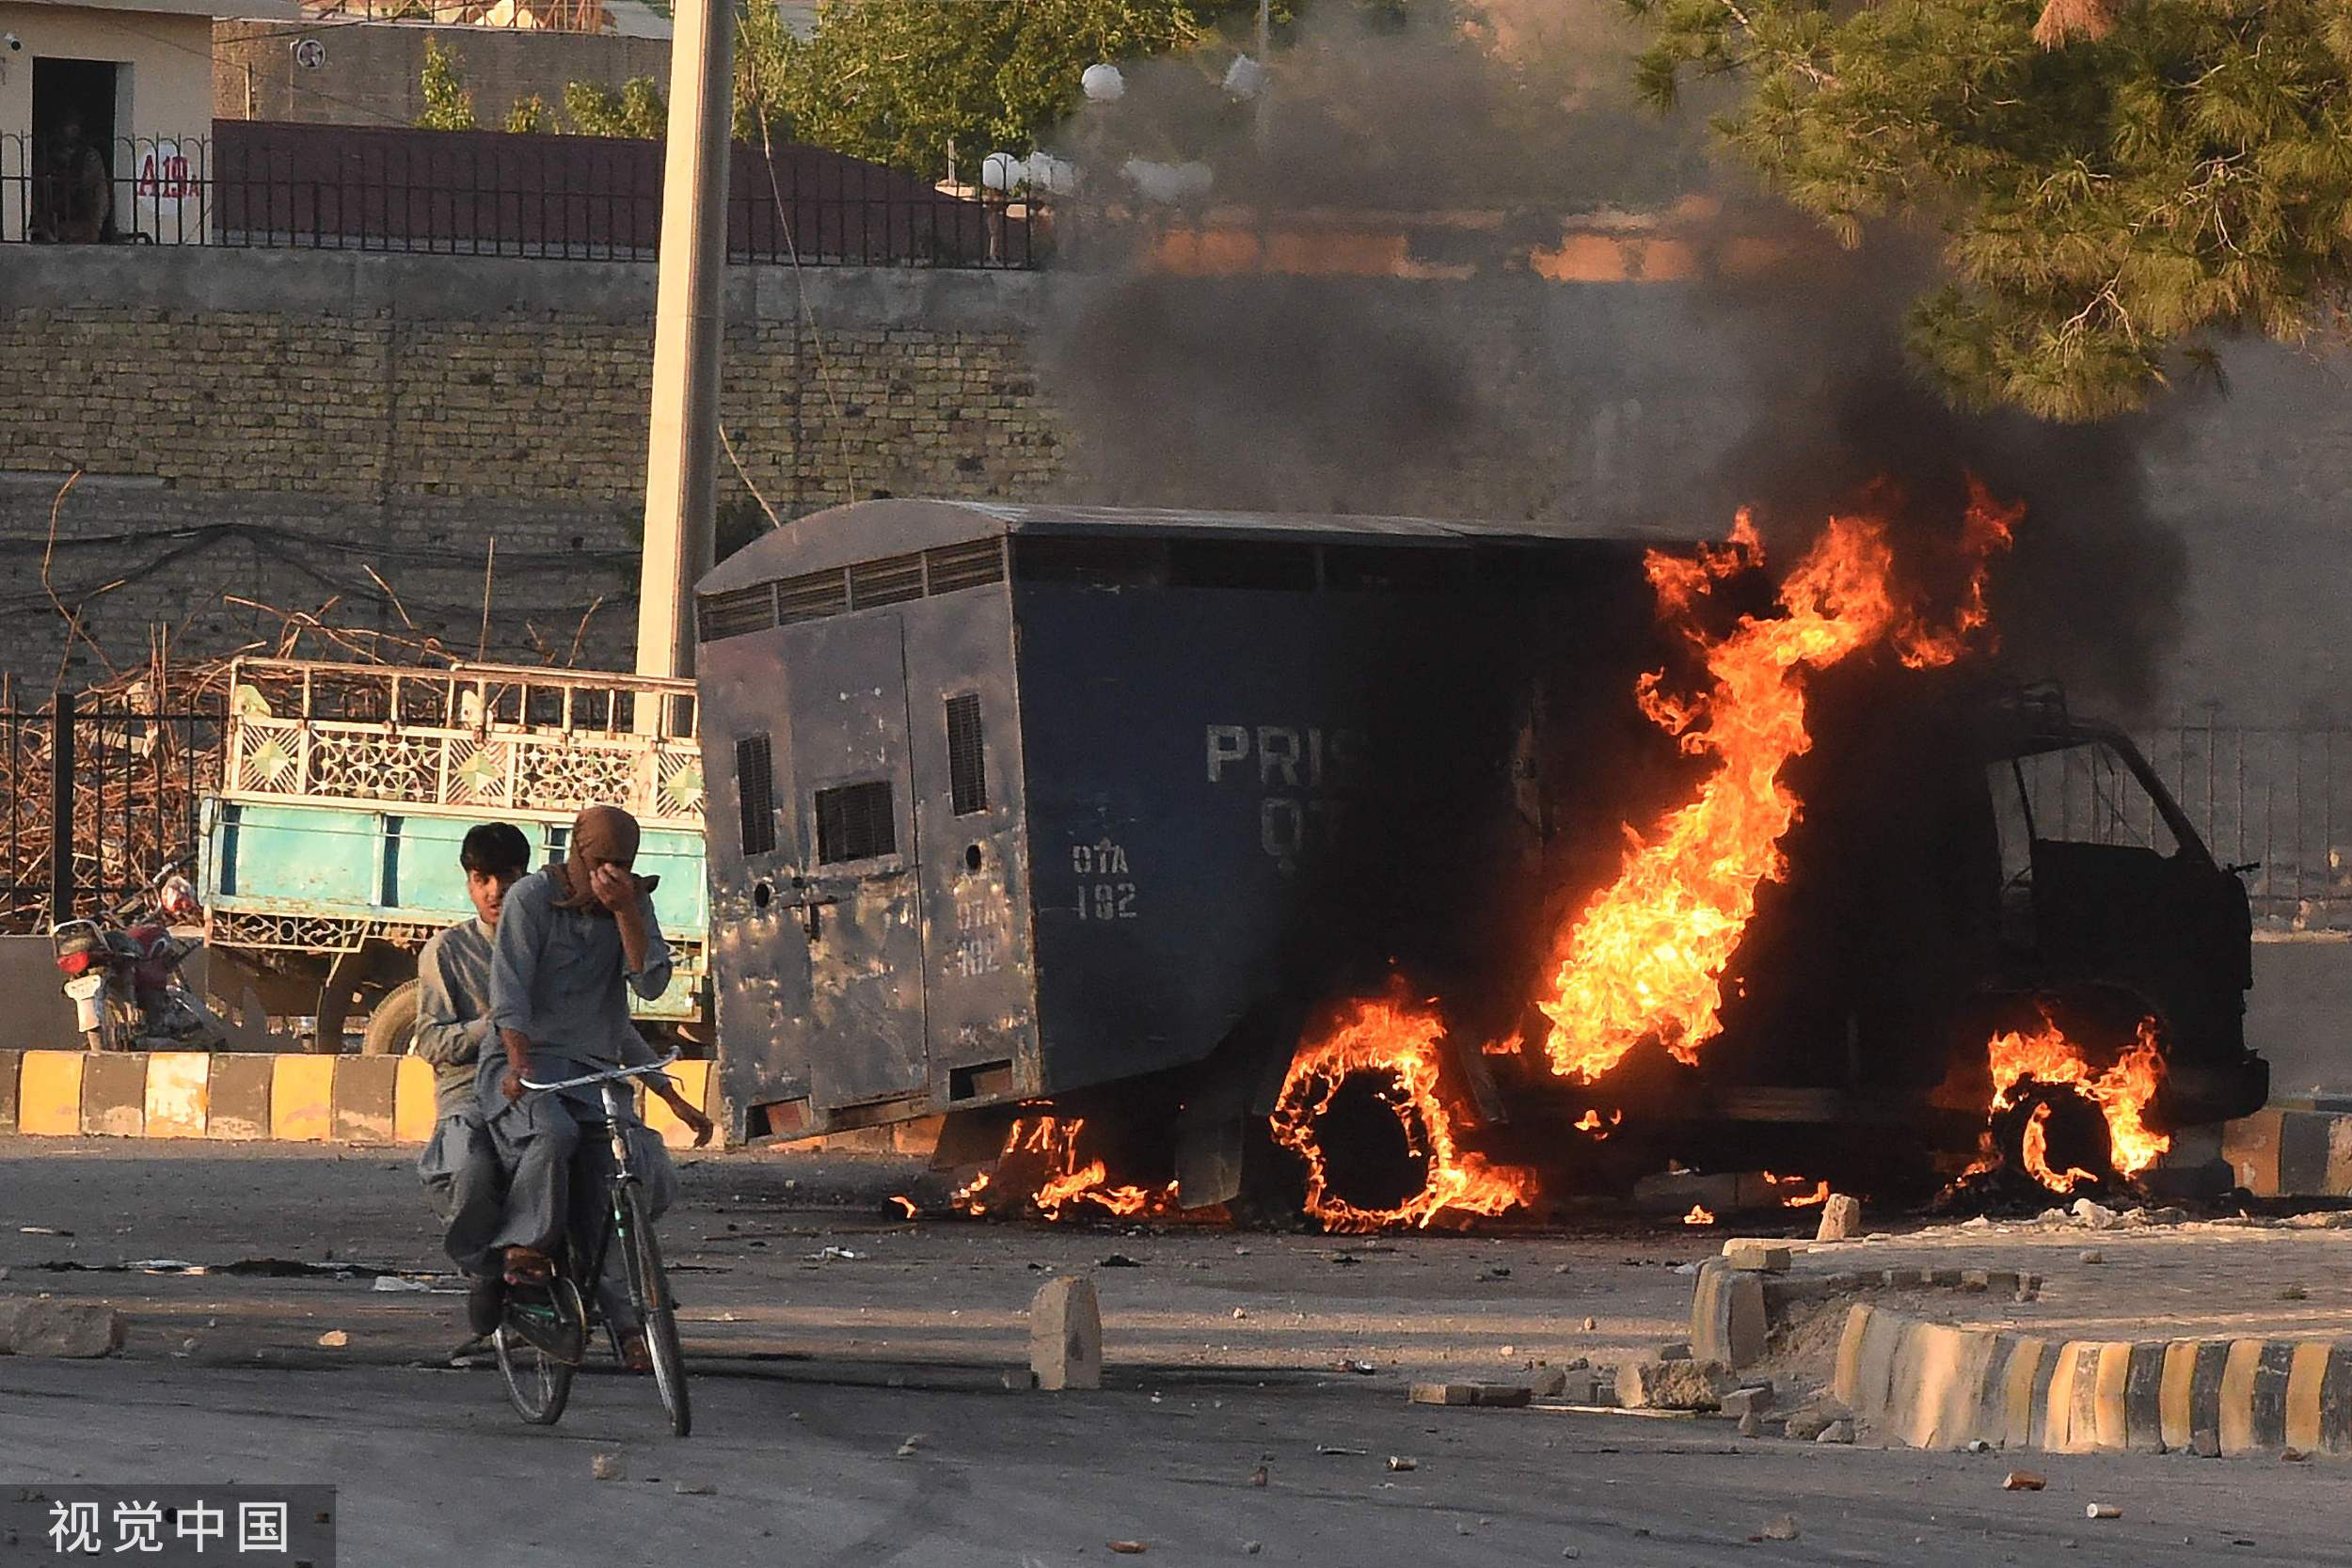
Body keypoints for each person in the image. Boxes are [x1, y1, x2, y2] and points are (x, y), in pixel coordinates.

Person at [479, 804, 712, 1367]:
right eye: (600, 861)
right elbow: (509, 994)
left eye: (622, 863)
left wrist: (627, 912)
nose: (609, 872)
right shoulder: (531, 899)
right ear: (576, 854)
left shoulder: (631, 900)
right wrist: (518, 1065)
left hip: (593, 1069)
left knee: (621, 1172)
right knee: (555, 1135)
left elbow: (648, 987)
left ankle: (630, 1319)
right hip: (523, 1067)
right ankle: (526, 1247)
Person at [411, 821, 532, 1341]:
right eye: (482, 879)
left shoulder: (544, 940)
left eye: (506, 877)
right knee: (474, 1165)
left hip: (536, 1083)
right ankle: (483, 1269)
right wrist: (494, 1027)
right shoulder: (446, 953)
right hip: (470, 1091)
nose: (494, 892)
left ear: (524, 879)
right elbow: (431, 1043)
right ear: (468, 883)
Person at [30, 113, 110, 244]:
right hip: (50, 222)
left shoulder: (90, 158)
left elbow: (99, 196)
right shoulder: (45, 157)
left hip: (81, 222)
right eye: (69, 125)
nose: (73, 129)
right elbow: (36, 193)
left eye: (76, 125)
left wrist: (95, 226)